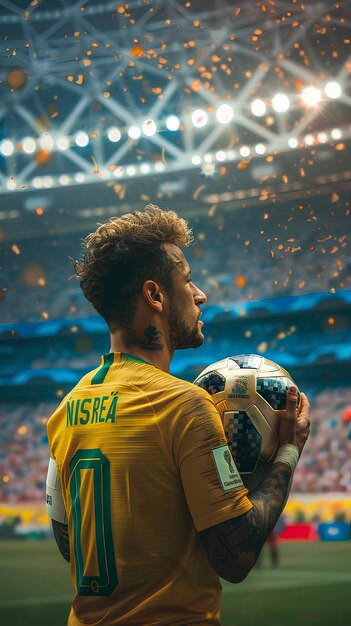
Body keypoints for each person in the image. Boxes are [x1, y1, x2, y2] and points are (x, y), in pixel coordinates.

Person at [46, 205, 310, 626]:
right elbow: (236, 557)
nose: (200, 295)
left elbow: (68, 542)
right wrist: (289, 450)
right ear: (155, 296)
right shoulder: (183, 404)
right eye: (188, 281)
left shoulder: (66, 410)